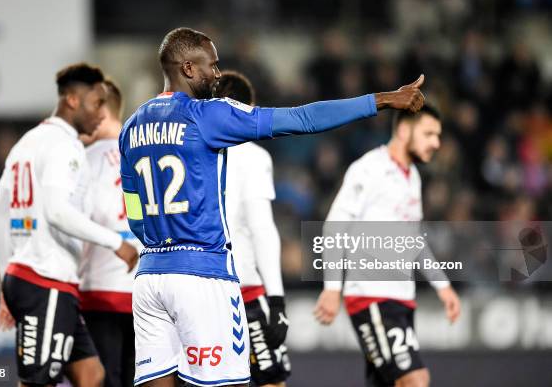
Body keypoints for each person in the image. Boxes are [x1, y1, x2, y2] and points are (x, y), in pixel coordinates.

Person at [119, 27, 425, 387]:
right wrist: (381, 100)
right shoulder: (207, 115)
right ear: (187, 68)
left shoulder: (132, 126)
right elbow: (301, 119)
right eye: (211, 65)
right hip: (201, 274)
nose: (217, 74)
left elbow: (135, 214)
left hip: (150, 276)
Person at [0, 63, 138, 387]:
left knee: (91, 374)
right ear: (72, 100)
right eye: (96, 104)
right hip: (46, 281)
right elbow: (57, 211)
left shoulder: (27, 142)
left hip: (37, 278)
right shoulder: (66, 147)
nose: (101, 113)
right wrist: (116, 243)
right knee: (37, 381)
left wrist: (7, 278)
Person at [313, 105, 462, 387]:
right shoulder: (368, 169)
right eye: (429, 133)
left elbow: (412, 237)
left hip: (401, 298)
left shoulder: (412, 177)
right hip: (372, 297)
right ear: (404, 131)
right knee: (415, 379)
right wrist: (332, 288)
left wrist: (443, 286)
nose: (436, 143)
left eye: (438, 135)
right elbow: (334, 226)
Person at [215, 71, 291, 387]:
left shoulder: (186, 148)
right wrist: (276, 300)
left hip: (191, 286)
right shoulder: (251, 155)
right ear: (251, 108)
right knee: (270, 380)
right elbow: (262, 228)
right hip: (242, 286)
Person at [79, 79, 139, 387]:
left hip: (99, 288)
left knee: (103, 378)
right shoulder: (145, 154)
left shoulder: (83, 161)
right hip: (145, 291)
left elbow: (78, 222)